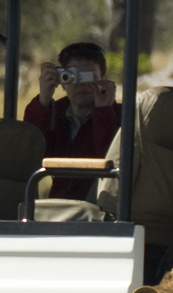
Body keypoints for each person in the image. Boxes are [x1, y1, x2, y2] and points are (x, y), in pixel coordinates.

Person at [24, 42, 121, 200]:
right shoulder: (54, 113)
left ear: (103, 80)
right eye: (72, 76)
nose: (80, 84)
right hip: (59, 202)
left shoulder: (120, 116)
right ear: (62, 82)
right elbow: (31, 152)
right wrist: (44, 100)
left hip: (103, 203)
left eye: (88, 77)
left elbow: (112, 159)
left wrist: (104, 112)